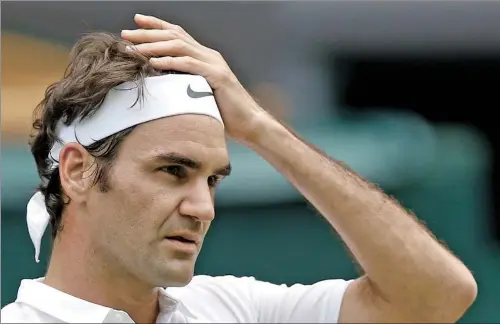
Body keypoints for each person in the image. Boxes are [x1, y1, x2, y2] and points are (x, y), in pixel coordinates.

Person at [1, 13, 477, 324]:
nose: (202, 207)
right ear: (79, 171)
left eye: (213, 180)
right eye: (172, 170)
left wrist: (259, 129)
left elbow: (437, 295)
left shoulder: (235, 309)